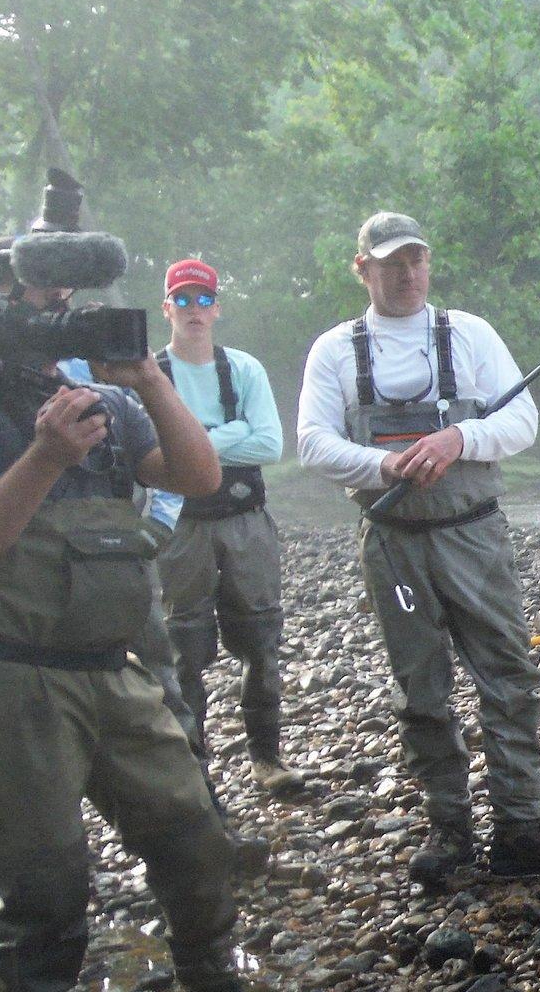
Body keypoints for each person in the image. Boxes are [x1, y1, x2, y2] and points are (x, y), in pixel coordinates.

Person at [0, 233, 244, 991]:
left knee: (194, 839)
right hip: (10, 677)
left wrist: (149, 383)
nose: (59, 316)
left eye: (67, 303)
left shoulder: (109, 405)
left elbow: (197, 474)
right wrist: (45, 458)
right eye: (40, 303)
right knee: (42, 885)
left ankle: (211, 970)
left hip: (109, 669)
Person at [297, 211, 540, 887]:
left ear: (428, 263)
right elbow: (313, 443)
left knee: (510, 678)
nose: (406, 274)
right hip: (392, 543)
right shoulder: (333, 351)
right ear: (363, 270)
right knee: (421, 692)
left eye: (416, 259)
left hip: (475, 533)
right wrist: (384, 467)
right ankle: (450, 833)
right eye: (389, 263)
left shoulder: (471, 334)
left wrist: (456, 441)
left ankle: (522, 830)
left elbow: (520, 420)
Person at [150, 258, 304, 795]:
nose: (194, 310)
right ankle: (193, 769)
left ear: (216, 309)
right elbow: (144, 452)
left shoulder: (243, 369)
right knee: (182, 648)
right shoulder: (150, 374)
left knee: (261, 641)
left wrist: (190, 442)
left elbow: (270, 443)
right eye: (183, 300)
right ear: (167, 308)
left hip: (245, 522)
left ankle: (267, 757)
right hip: (176, 528)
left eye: (203, 301)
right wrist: (226, 432)